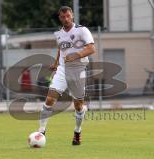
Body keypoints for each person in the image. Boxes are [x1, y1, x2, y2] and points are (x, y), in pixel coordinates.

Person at [38, 6, 95, 146]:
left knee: (78, 106)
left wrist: (77, 55)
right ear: (60, 18)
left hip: (79, 69)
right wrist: (56, 62)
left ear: (72, 16)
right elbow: (61, 48)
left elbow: (91, 48)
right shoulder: (58, 33)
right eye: (63, 17)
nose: (66, 19)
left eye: (68, 16)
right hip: (63, 70)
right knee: (49, 100)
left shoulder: (82, 30)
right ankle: (41, 132)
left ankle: (77, 132)